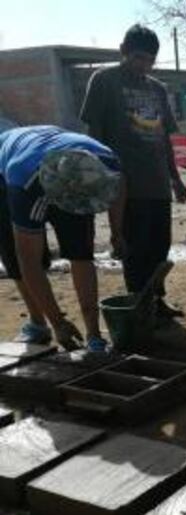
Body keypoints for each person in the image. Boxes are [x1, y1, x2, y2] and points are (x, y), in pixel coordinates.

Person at [80, 24, 186, 320]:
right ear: (123, 51)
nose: (144, 65)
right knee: (134, 247)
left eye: (150, 60)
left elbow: (165, 136)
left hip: (156, 183)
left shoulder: (157, 88)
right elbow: (95, 132)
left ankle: (157, 299)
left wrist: (175, 179)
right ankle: (139, 304)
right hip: (125, 184)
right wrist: (102, 178)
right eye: (138, 57)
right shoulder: (104, 81)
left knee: (159, 245)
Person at [0, 126, 124, 351]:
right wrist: (58, 322)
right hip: (12, 174)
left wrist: (117, 233)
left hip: (61, 162)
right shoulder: (23, 181)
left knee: (80, 250)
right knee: (16, 255)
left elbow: (119, 187)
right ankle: (39, 324)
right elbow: (28, 262)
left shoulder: (105, 159)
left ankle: (94, 335)